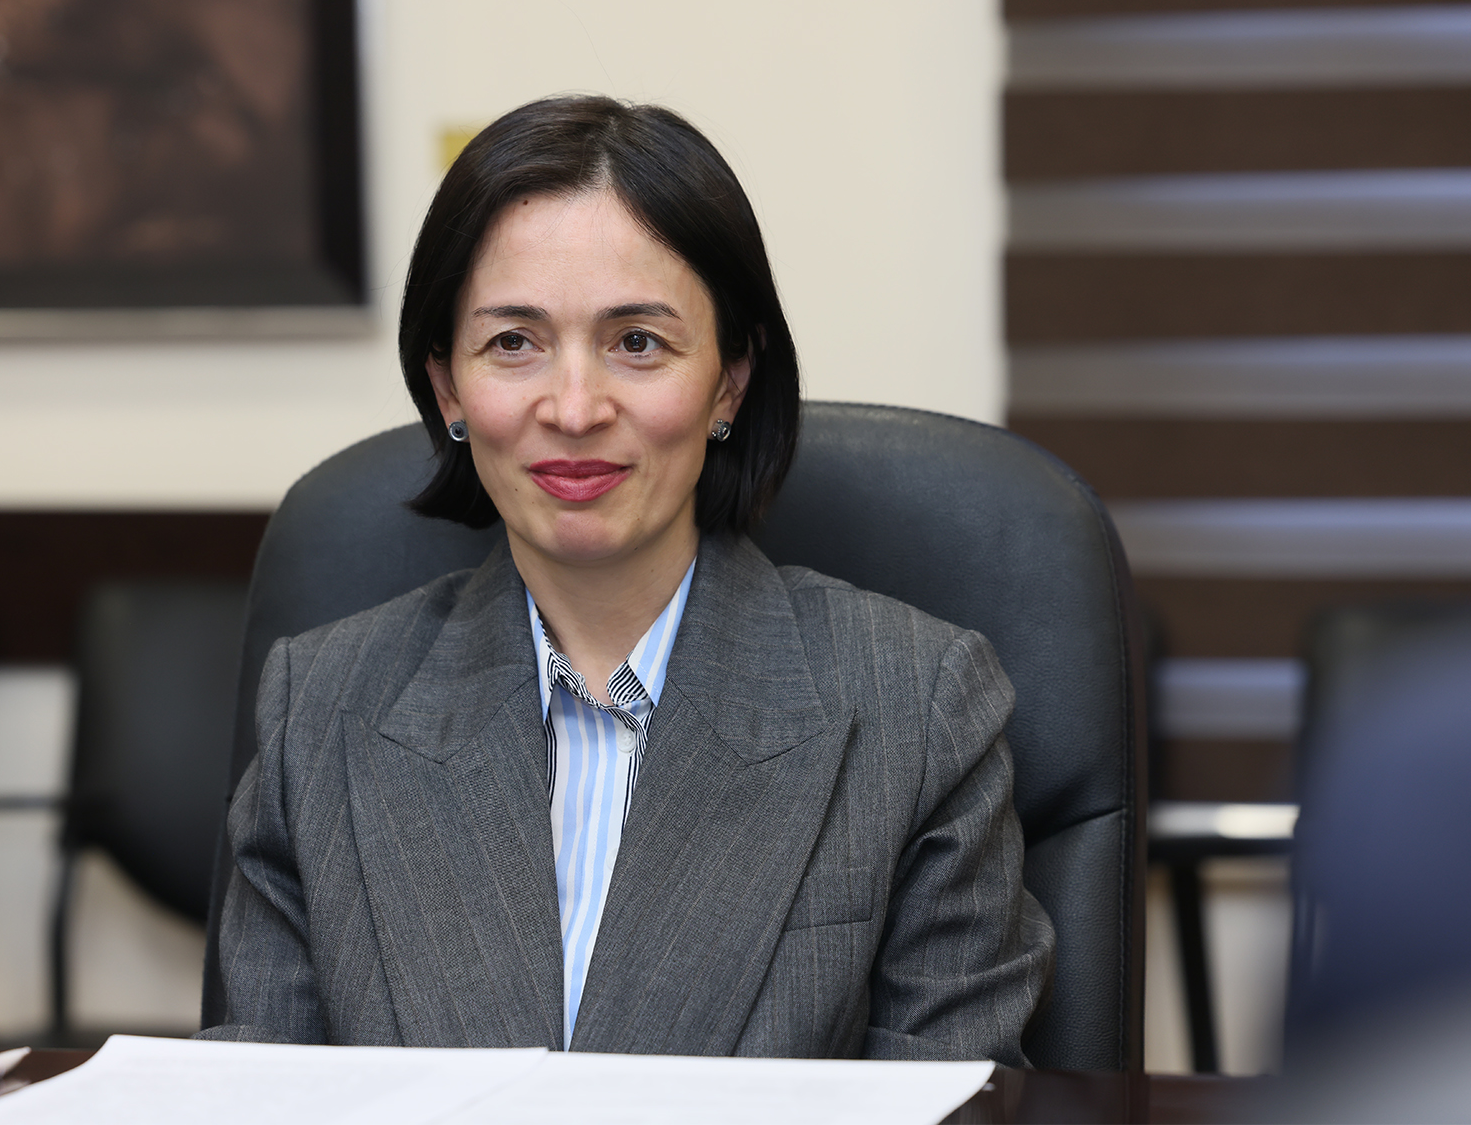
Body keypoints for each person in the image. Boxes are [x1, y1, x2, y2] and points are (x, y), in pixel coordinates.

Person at [200, 96, 1053, 1062]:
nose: (574, 409)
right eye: (513, 343)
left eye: (637, 342)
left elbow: (953, 1103)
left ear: (729, 380)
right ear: (448, 389)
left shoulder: (918, 708)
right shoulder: (320, 711)